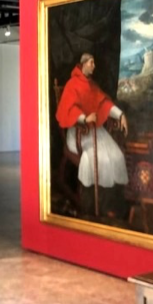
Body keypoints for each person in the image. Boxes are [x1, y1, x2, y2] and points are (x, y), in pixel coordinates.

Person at [55, 53, 129, 216]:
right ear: (83, 64)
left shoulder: (92, 85)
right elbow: (68, 109)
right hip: (78, 132)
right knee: (98, 160)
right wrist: (84, 118)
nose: (94, 66)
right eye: (91, 62)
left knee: (116, 156)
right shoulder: (72, 84)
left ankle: (109, 203)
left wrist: (120, 115)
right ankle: (92, 204)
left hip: (95, 131)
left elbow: (104, 103)